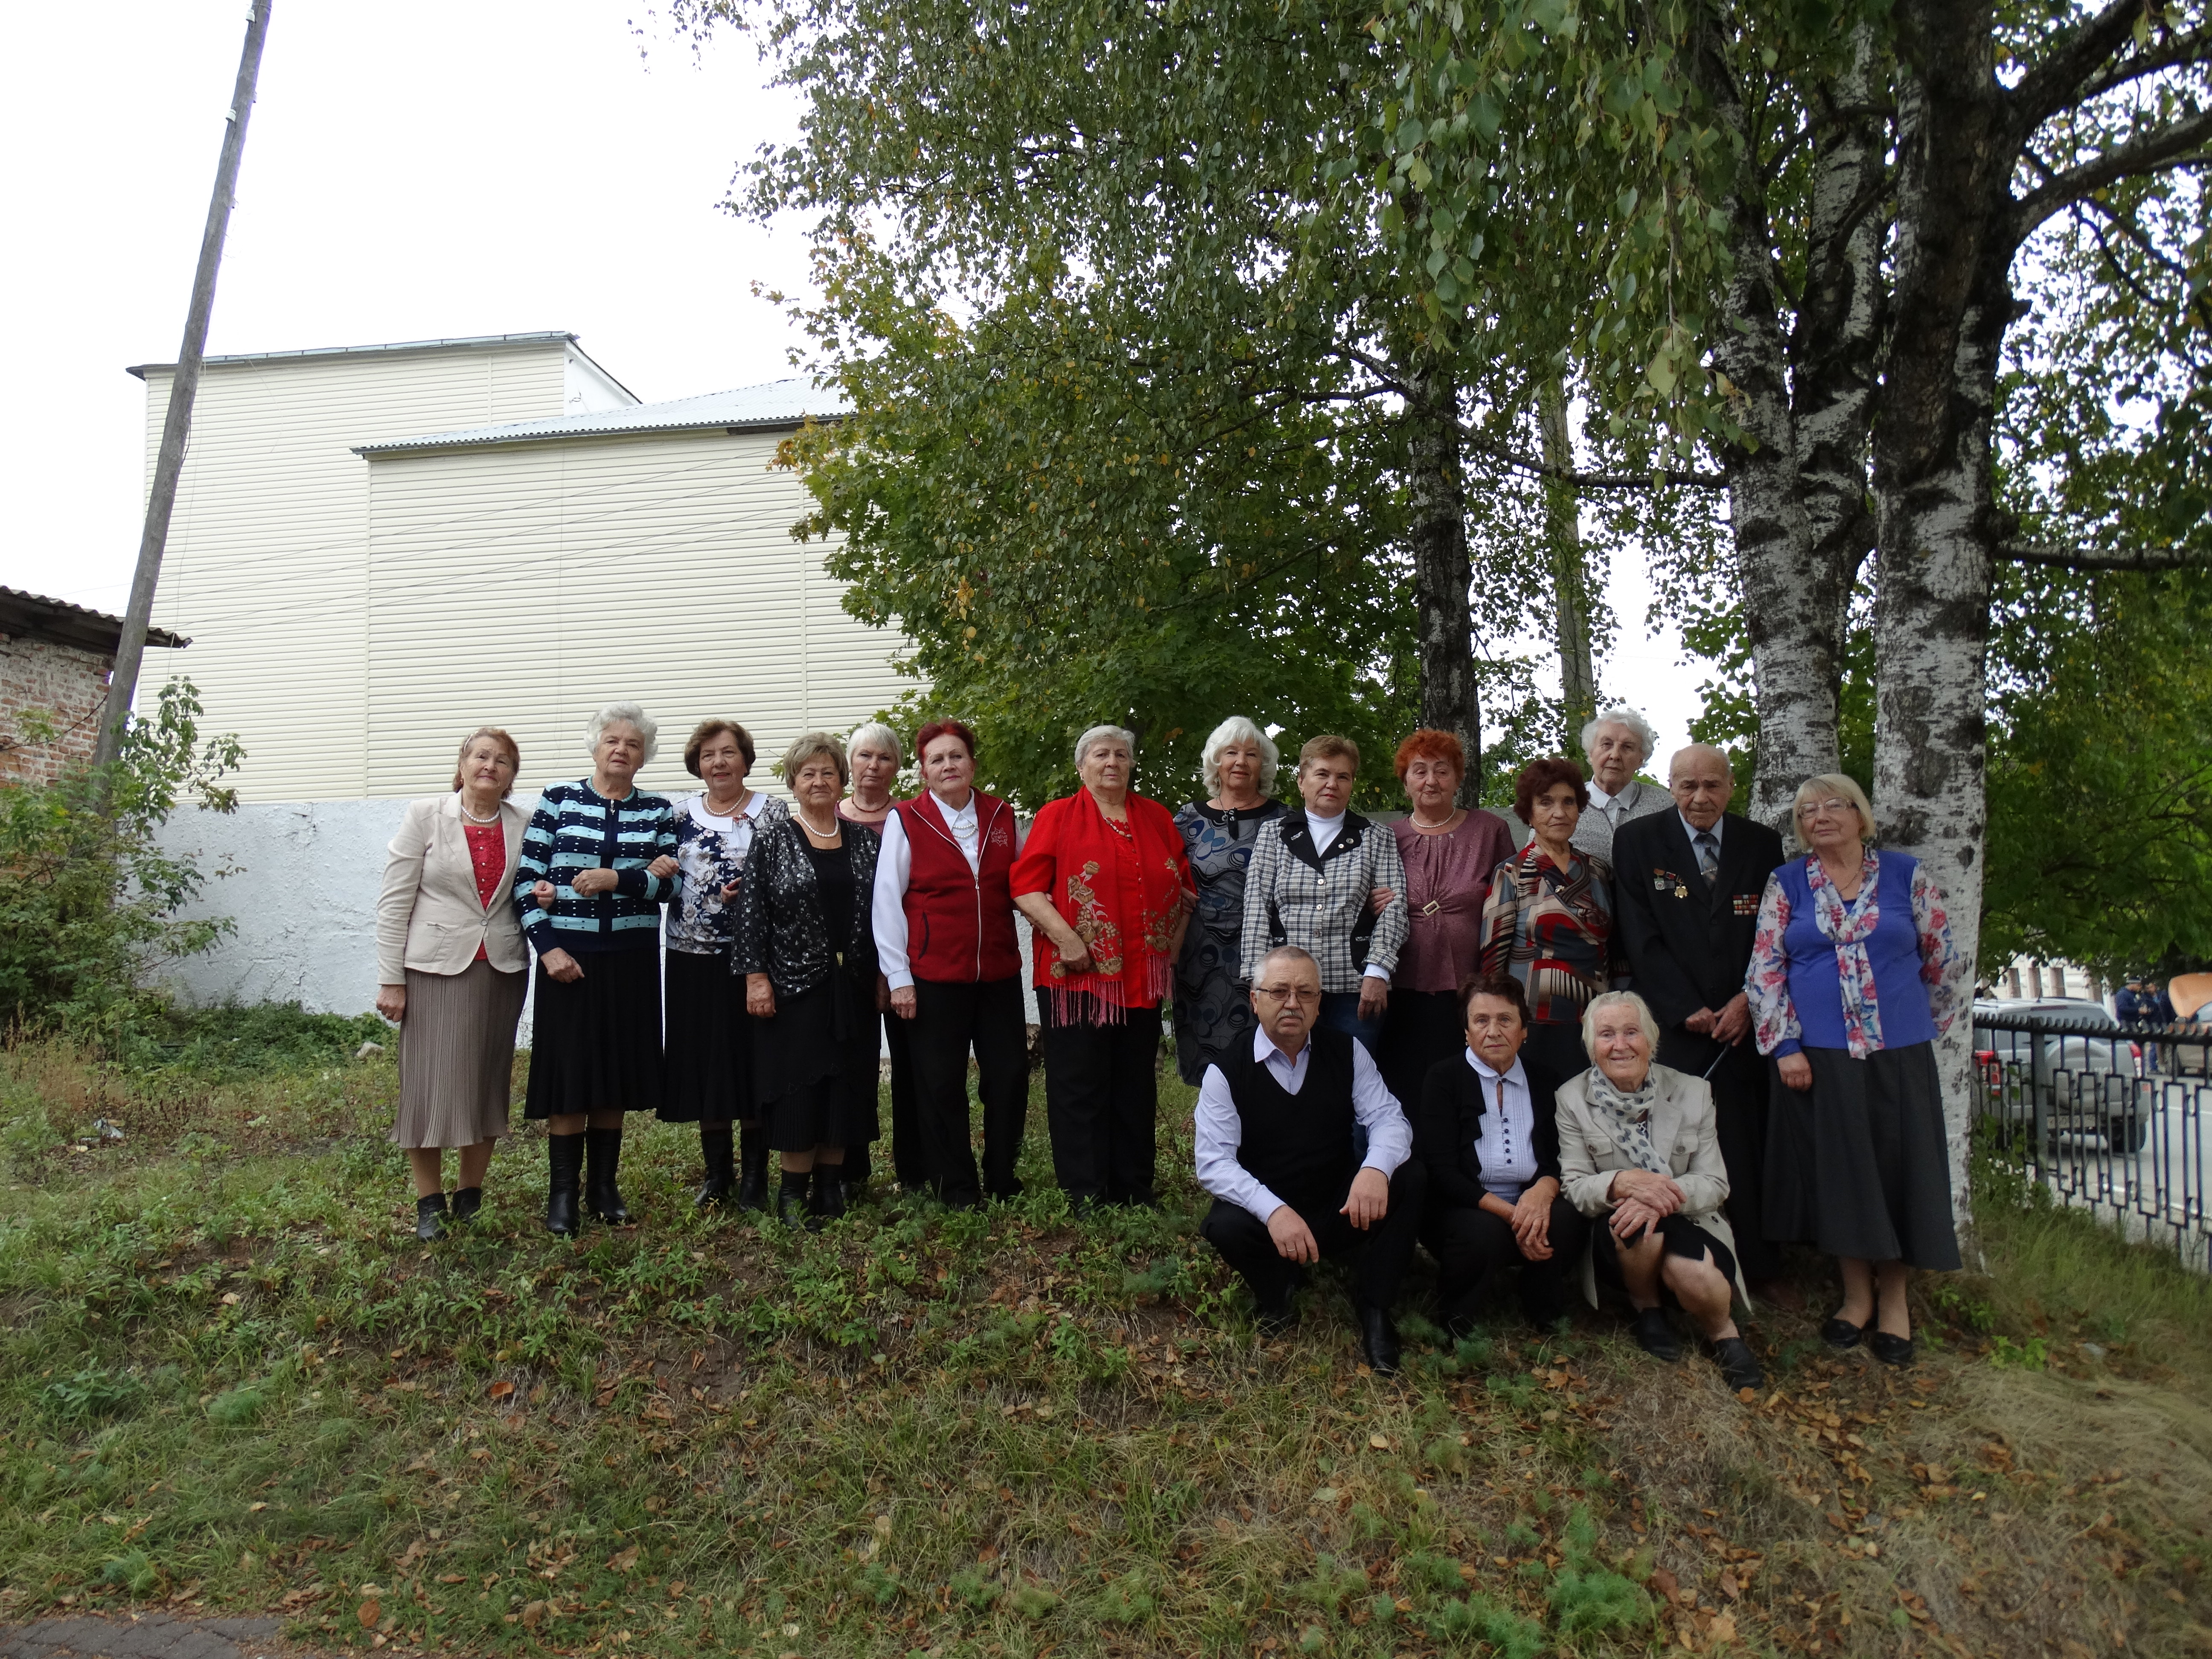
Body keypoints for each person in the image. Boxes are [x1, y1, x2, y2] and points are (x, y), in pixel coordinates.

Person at [1748, 774, 1962, 1366]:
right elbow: (1765, 969)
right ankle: (1856, 1297)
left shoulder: (1905, 875)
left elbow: (1943, 959)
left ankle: (1895, 1300)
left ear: (1860, 815)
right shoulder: (1788, 883)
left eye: (1833, 806)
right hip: (1819, 1057)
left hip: (1899, 1052)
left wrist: (1916, 1022)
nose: (1820, 817)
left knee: (1899, 1173)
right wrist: (1785, 1046)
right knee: (1841, 1175)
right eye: (1806, 810)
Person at [1610, 745, 1791, 1300]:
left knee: (1744, 1142)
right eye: (1687, 786)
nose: (1700, 797)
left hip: (1742, 1023)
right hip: (1673, 1025)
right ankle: (1675, 1265)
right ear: (1670, 787)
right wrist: (1682, 1005)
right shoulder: (1638, 841)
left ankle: (1758, 1265)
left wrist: (1747, 1001)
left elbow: (1773, 933)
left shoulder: (1761, 844)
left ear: (1731, 786)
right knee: (1672, 1144)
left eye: (1712, 785)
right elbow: (1638, 933)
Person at [1195, 945, 1428, 1375]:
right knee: (1224, 1225)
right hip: (1269, 1216)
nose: (1292, 1003)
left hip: (1338, 1206)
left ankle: (1375, 1305)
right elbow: (1214, 1163)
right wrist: (1274, 1211)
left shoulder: (1348, 1052)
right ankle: (1278, 1290)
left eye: (1305, 993)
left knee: (1409, 1176)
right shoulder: (1225, 1072)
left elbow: (1389, 1119)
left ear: (1320, 1003)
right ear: (1255, 999)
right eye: (1279, 991)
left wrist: (1374, 1170)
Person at [1012, 725, 1194, 1210]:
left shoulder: (1156, 817)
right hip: (1077, 976)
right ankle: (1085, 1192)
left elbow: (1186, 891)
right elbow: (1027, 888)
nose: (1112, 762)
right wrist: (1068, 941)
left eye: (1121, 754)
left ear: (1132, 764)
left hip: (1141, 977)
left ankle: (1134, 1189)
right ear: (1081, 767)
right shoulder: (1057, 816)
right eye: (1100, 755)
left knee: (1135, 1084)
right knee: (1079, 1085)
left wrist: (1170, 953)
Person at [514, 703, 677, 1235]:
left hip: (631, 961)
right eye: (612, 741)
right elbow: (526, 883)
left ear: (644, 757)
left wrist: (618, 879)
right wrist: (548, 949)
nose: (621, 750)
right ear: (595, 746)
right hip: (569, 961)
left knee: (615, 1073)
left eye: (633, 744)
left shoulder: (658, 811)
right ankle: (562, 1194)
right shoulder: (559, 799)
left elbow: (672, 886)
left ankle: (603, 1187)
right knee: (570, 1075)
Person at [1556, 991, 1764, 1393]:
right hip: (1621, 1230)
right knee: (1639, 1226)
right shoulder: (1571, 1099)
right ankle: (1646, 1305)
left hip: (1689, 1216)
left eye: (1631, 1032)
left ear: (1651, 1040)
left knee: (1695, 1274)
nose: (1620, 1045)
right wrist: (1620, 1183)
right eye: (1607, 1035)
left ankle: (1724, 1332)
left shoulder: (1693, 1092)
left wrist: (1657, 1196)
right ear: (1591, 1046)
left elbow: (1715, 1182)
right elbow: (1576, 1187)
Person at [375, 728, 530, 1240]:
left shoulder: (525, 823)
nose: (490, 765)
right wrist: (391, 980)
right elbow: (394, 902)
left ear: (511, 775)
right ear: (462, 765)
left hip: (502, 969)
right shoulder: (425, 816)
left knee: (486, 1081)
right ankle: (429, 1203)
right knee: (428, 1084)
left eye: (502, 760)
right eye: (481, 756)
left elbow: (531, 891)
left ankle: (470, 1197)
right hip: (433, 971)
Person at [873, 718, 1031, 1207]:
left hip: (998, 973)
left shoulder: (1002, 815)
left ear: (972, 764)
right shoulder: (906, 819)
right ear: (924, 771)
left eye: (956, 756)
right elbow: (887, 901)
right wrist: (899, 978)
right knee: (941, 1084)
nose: (948, 765)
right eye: (937, 759)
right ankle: (957, 1188)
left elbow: (1028, 884)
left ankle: (1002, 1177)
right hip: (934, 976)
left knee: (1009, 1076)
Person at [735, 732, 885, 1229]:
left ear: (842, 781)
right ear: (794, 783)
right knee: (799, 1090)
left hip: (855, 987)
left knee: (846, 1084)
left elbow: (885, 915)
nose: (819, 781)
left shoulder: (866, 841)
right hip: (794, 988)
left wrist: (887, 975)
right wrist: (756, 979)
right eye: (808, 774)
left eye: (828, 772)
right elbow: (752, 914)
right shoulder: (773, 838)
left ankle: (830, 1190)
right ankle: (792, 1196)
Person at [1414, 970, 1587, 1336]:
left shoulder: (1546, 1080)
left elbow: (1562, 1155)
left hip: (1529, 1199)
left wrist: (1542, 1193)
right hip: (1463, 1206)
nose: (1493, 1031)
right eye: (1481, 1020)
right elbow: (1442, 1172)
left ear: (1524, 1030)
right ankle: (1457, 1320)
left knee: (1567, 1219)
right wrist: (1513, 1215)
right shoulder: (1443, 1079)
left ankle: (1543, 1305)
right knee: (1483, 1233)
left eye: (1505, 1020)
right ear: (1466, 1031)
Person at [656, 719, 784, 1211]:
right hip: (691, 958)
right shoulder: (677, 815)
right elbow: (662, 876)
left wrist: (754, 891)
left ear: (745, 760)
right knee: (705, 1062)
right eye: (709, 755)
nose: (719, 762)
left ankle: (755, 1177)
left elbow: (787, 877)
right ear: (698, 764)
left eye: (728, 752)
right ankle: (717, 1175)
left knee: (752, 1060)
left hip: (754, 959)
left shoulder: (771, 811)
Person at [1239, 735, 1409, 1053]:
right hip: (1287, 988)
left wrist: (1378, 971)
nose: (1332, 784)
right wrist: (1258, 981)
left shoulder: (1376, 837)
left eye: (1343, 776)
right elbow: (1256, 910)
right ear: (1302, 782)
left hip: (1355, 987)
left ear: (1352, 784)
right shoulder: (1274, 835)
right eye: (1322, 774)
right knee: (1288, 1069)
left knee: (1350, 1072)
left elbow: (1395, 911)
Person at [1379, 729, 1517, 1113]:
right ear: (1406, 782)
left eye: (1442, 771)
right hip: (1402, 983)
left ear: (1458, 779)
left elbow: (1512, 900)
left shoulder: (1490, 830)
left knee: (1464, 1086)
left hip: (1470, 986)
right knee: (1404, 1085)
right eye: (1419, 771)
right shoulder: (1386, 837)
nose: (1431, 781)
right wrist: (1371, 902)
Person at [1479, 757, 1615, 1082]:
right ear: (1529, 813)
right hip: (1534, 1021)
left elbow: (1615, 948)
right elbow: (1492, 961)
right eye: (1546, 803)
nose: (1560, 812)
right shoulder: (1511, 873)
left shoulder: (1598, 871)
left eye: (1569, 802)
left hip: (1597, 1020)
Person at [1172, 717, 1290, 1085]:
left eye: (1251, 754)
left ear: (1263, 765)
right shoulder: (1187, 819)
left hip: (1265, 953)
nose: (1241, 761)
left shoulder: (1286, 821)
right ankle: (1215, 1120)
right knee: (1207, 1060)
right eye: (1231, 753)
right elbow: (1163, 875)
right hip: (1199, 958)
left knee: (1266, 1052)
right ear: (1216, 762)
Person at [838, 720, 914, 1196]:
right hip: (845, 965)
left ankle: (914, 1170)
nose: (873, 765)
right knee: (852, 1066)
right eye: (865, 755)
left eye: (885, 757)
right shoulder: (828, 816)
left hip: (905, 960)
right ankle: (850, 1171)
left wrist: (893, 969)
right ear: (850, 763)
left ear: (897, 767)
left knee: (911, 1068)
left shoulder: (910, 819)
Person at [1565, 706, 1671, 864]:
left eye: (1627, 747)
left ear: (1641, 759)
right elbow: (1536, 859)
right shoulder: (1564, 805)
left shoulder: (1664, 806)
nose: (1615, 755)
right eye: (1607, 744)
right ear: (1591, 753)